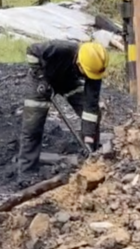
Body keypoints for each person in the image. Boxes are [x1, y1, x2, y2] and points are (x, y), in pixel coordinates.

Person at [16, 40, 106, 173]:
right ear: (78, 61)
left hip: (69, 80)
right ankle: (26, 172)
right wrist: (41, 77)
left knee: (94, 115)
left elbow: (90, 108)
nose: (87, 77)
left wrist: (88, 138)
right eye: (85, 73)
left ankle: (90, 153)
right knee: (33, 126)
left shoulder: (95, 71)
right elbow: (32, 51)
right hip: (42, 80)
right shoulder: (60, 49)